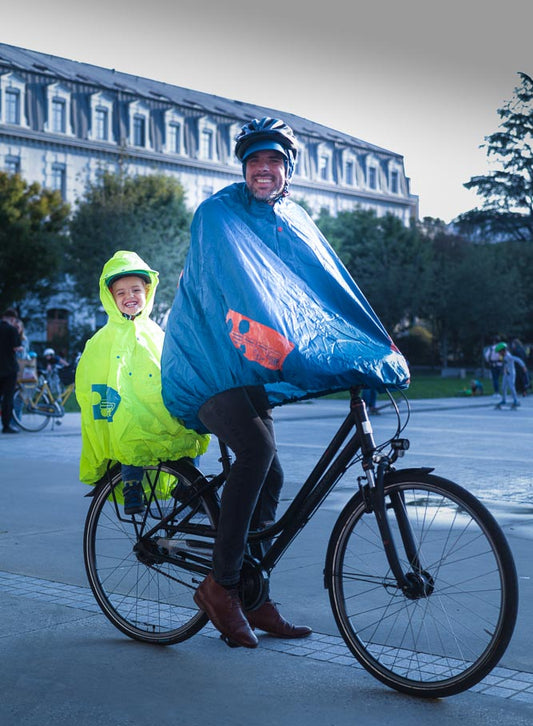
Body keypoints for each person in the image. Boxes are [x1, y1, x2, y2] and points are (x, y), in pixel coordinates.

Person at [162, 117, 409, 648]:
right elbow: (241, 290)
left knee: (271, 475)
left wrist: (371, 343)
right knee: (256, 452)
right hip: (205, 363)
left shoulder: (294, 221)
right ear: (242, 168)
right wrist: (292, 346)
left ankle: (253, 594)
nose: (263, 169)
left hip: (247, 369)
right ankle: (220, 586)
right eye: (254, 160)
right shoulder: (217, 215)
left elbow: (328, 289)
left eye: (273, 160)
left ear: (288, 170)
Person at [75, 250, 209, 514]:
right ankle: (131, 484)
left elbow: (170, 364)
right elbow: (92, 375)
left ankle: (184, 485)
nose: (129, 296)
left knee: (187, 432)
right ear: (111, 298)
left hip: (158, 405)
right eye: (121, 293)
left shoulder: (155, 332)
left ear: (147, 291)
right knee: (130, 435)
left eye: (135, 290)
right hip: (125, 407)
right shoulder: (103, 339)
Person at [0, 308, 22, 434]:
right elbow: (16, 347)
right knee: (8, 398)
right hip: (9, 368)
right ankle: (6, 425)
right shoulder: (12, 330)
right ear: (13, 319)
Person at [494, 342, 527, 409]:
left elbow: (518, 359)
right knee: (503, 387)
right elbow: (503, 362)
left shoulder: (509, 356)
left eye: (499, 352)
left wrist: (523, 366)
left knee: (511, 387)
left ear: (503, 351)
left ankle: (516, 401)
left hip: (511, 374)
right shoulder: (503, 356)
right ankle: (504, 400)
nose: (499, 354)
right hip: (506, 373)